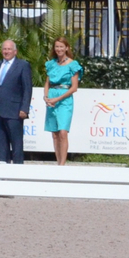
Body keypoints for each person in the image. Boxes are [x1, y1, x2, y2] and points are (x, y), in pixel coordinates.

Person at [0, 38, 31, 164]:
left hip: (15, 111)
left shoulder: (23, 65)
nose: (6, 51)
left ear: (15, 51)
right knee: (0, 143)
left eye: (9, 49)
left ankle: (17, 170)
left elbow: (27, 89)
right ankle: (1, 169)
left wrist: (24, 108)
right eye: (4, 49)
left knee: (16, 143)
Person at [44, 37, 82, 166]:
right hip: (52, 97)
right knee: (54, 133)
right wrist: (46, 96)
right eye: (57, 47)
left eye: (61, 46)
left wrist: (58, 99)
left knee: (63, 132)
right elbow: (47, 82)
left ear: (66, 48)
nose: (59, 49)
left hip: (64, 99)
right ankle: (58, 161)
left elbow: (74, 87)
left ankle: (63, 164)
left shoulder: (73, 65)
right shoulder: (51, 64)